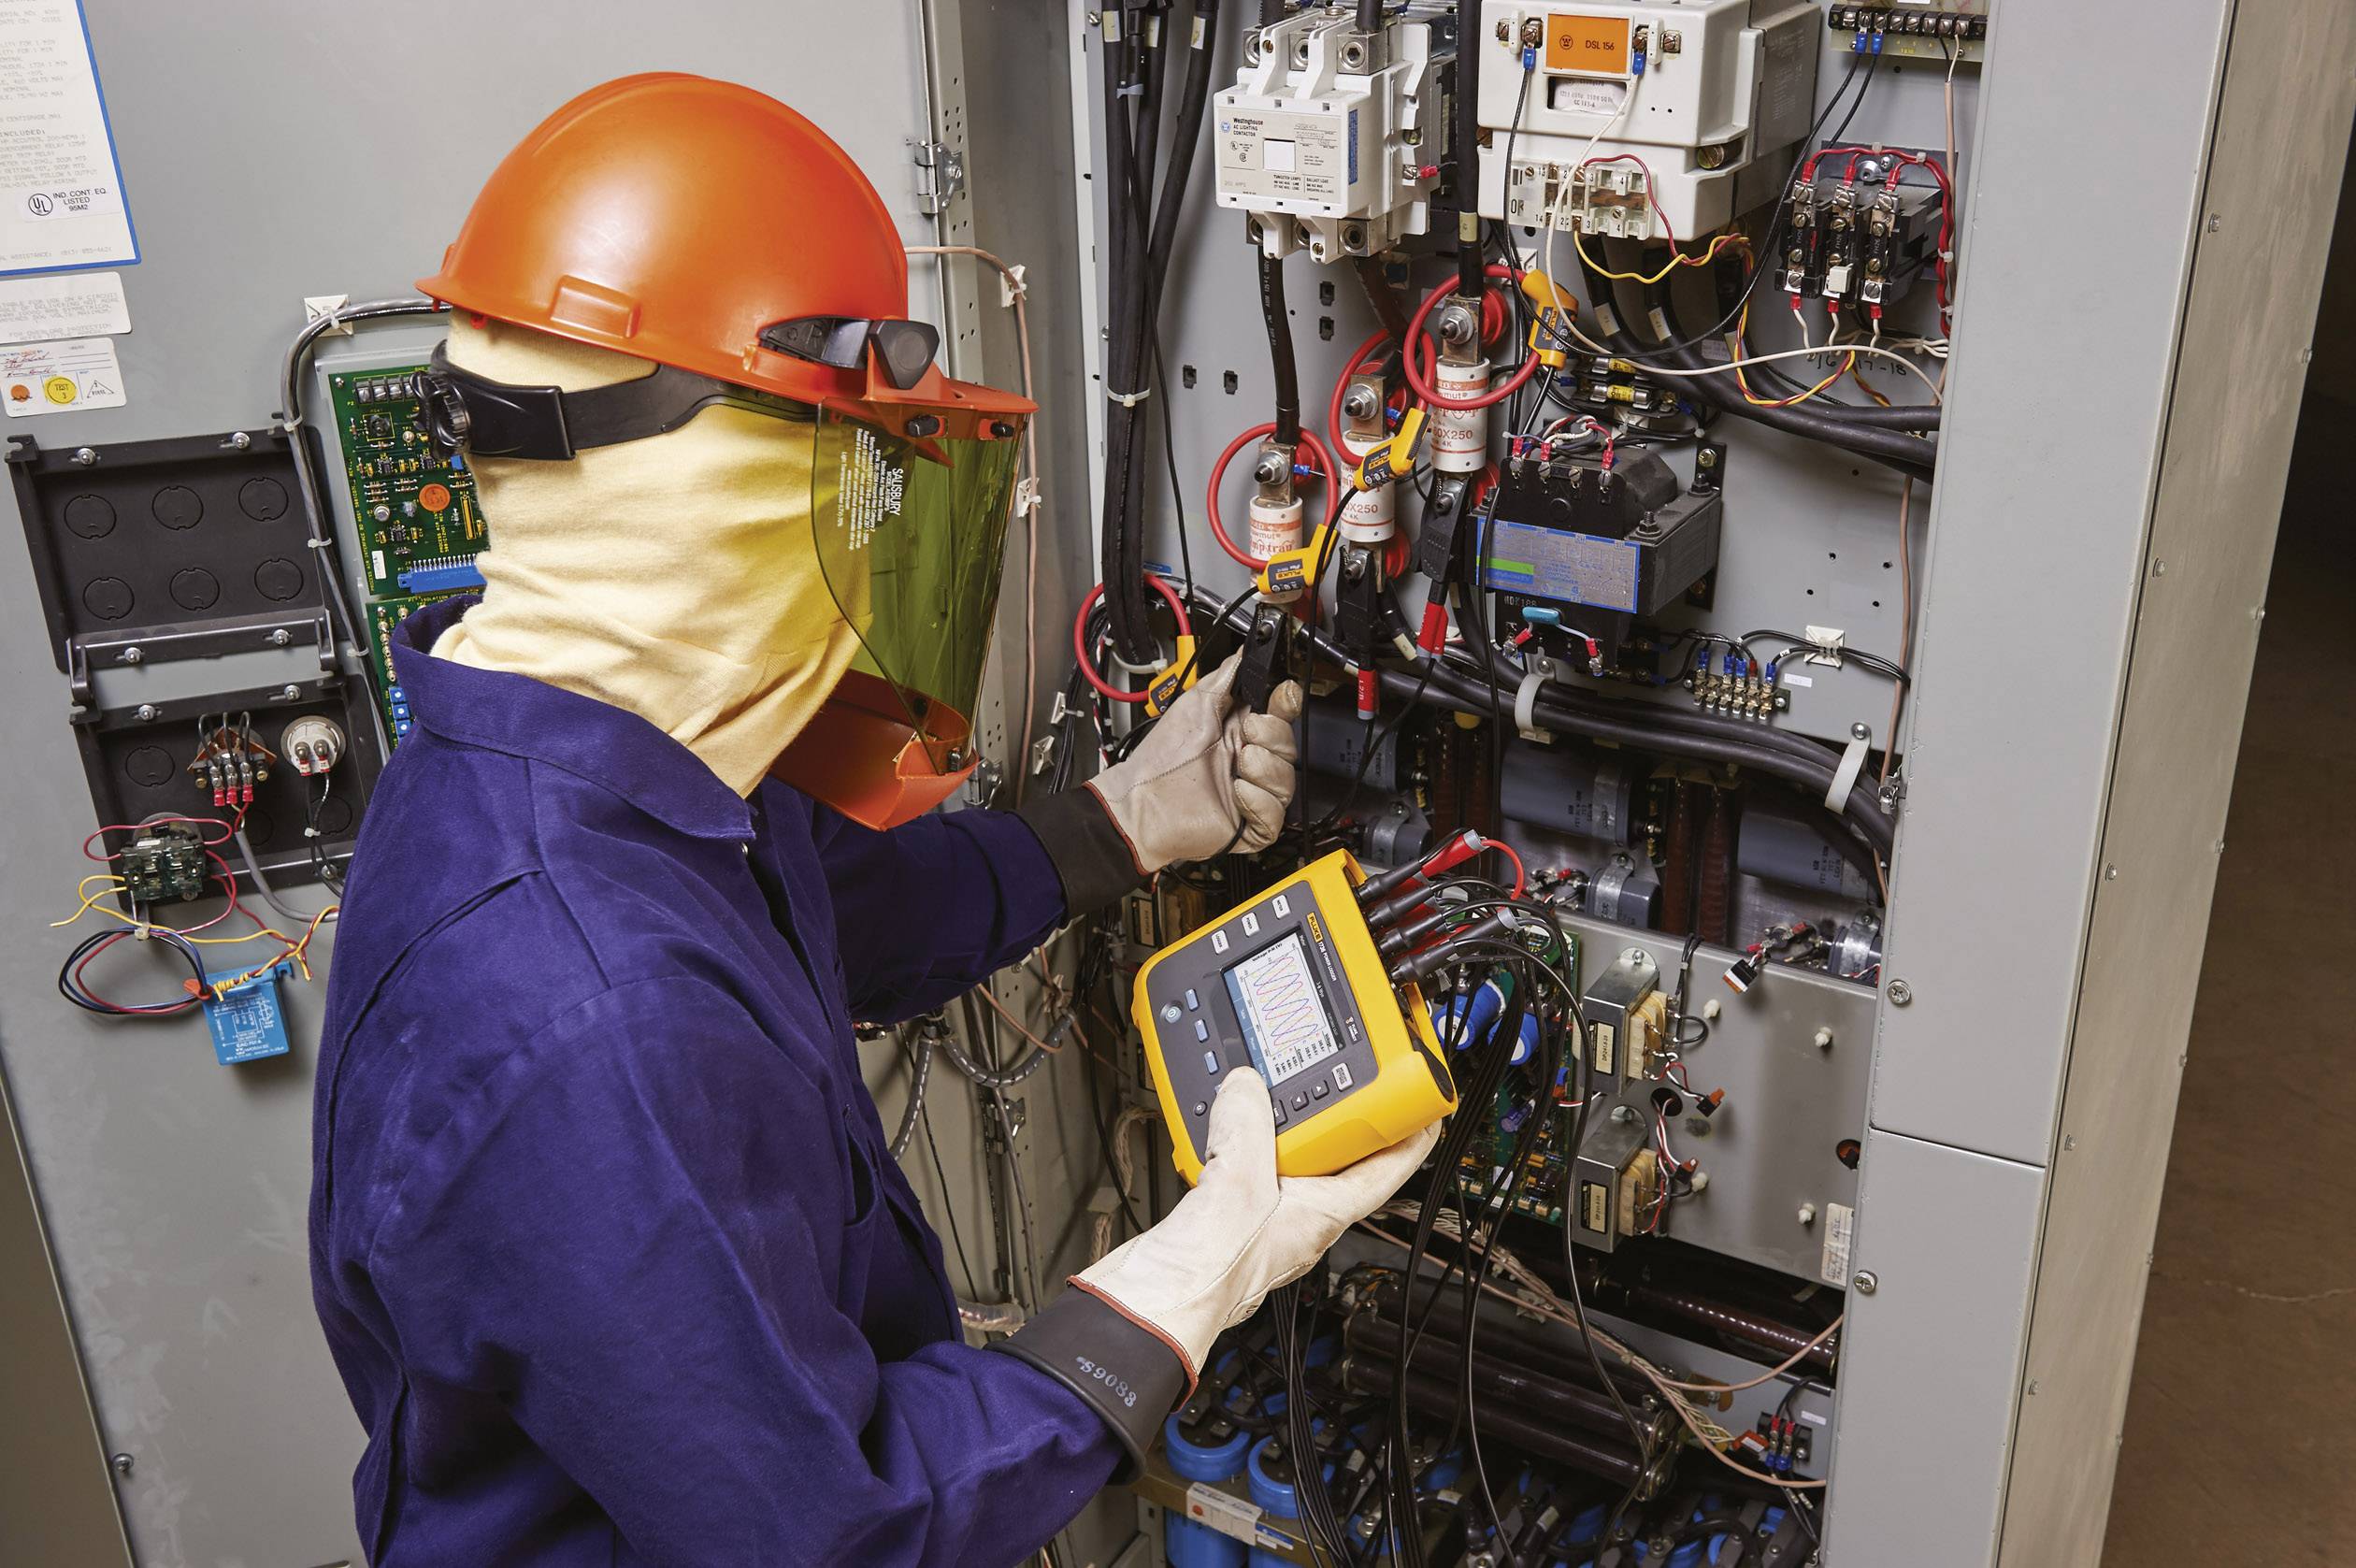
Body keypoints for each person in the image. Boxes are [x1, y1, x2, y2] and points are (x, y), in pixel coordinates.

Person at [307, 74, 1438, 1567]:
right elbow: (832, 1536)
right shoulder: (589, 1021)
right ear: (774, 497)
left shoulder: (572, 749)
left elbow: (846, 912)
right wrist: (1200, 1267)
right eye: (878, 474)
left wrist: (1126, 820)